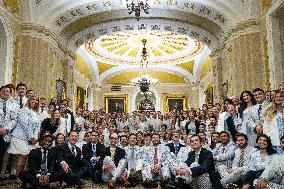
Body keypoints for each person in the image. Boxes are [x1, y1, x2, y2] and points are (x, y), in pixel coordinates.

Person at [8, 95, 41, 176]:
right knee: (23, 155)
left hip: (31, 139)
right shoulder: (23, 110)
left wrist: (35, 138)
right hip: (20, 137)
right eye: (33, 99)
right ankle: (17, 175)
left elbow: (37, 127)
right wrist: (31, 138)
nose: (35, 101)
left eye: (37, 100)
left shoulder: (35, 113)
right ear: (29, 100)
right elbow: (24, 125)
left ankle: (23, 176)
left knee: (28, 157)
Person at [0, 85, 19, 178]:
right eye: (3, 91)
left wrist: (6, 128)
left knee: (2, 154)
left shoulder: (13, 104)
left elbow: (14, 119)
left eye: (7, 91)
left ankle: (1, 174)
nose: (5, 92)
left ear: (10, 93)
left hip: (6, 133)